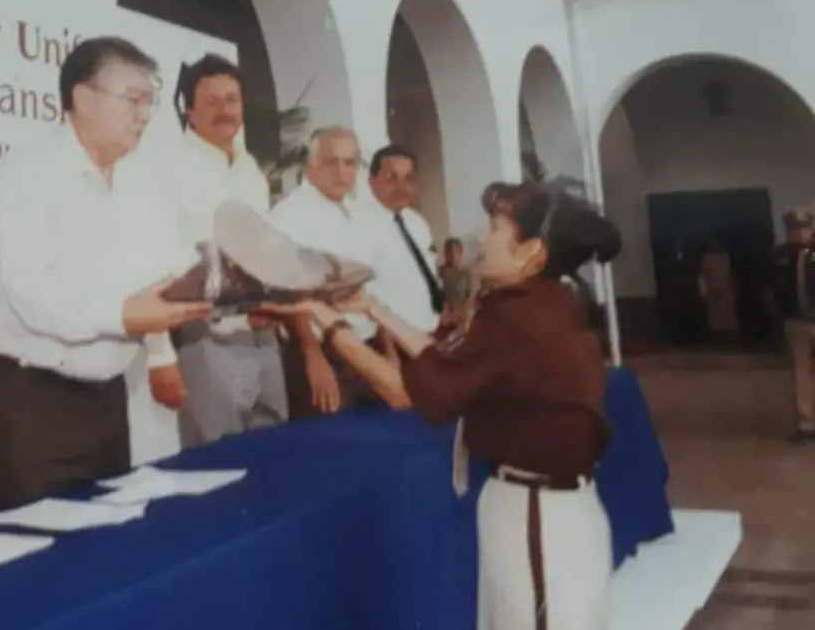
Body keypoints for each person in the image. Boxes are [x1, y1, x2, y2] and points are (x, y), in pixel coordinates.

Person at [264, 179, 621, 629]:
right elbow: (447, 359)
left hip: (538, 518)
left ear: (531, 252)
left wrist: (326, 320)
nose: (480, 239)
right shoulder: (542, 302)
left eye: (495, 228)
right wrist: (372, 308)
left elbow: (402, 391)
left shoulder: (519, 319)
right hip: (543, 509)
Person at [0, 36, 212, 514]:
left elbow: (172, 268)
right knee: (32, 543)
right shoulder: (26, 173)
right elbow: (33, 294)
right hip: (28, 399)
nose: (145, 116)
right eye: (134, 100)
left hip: (105, 400)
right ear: (83, 97)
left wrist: (230, 282)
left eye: (150, 102)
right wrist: (123, 316)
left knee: (104, 536)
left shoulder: (141, 181)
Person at [153, 54, 288, 446]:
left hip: (262, 331)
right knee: (217, 458)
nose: (224, 110)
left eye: (232, 100)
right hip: (205, 335)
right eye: (211, 102)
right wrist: (160, 351)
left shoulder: (250, 171)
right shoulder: (168, 168)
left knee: (274, 449)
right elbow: (155, 260)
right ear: (189, 111)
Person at [269, 127, 385, 418]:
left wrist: (387, 352)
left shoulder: (358, 214)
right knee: (330, 441)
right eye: (332, 162)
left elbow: (372, 291)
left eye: (350, 163)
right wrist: (313, 356)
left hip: (366, 348)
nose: (342, 172)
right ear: (312, 164)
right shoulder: (291, 215)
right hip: (323, 353)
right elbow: (288, 294)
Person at [356, 144, 443, 334]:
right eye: (391, 178)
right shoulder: (357, 227)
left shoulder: (417, 223)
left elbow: (429, 273)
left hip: (428, 333)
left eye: (408, 179)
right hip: (388, 339)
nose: (401, 187)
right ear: (372, 181)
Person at [769, 209, 815, 443]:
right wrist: (780, 313)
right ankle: (806, 424)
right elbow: (770, 286)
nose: (798, 233)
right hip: (795, 321)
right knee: (800, 373)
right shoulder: (780, 256)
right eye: (792, 229)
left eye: (802, 228)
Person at [439, 237, 473, 329]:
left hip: (462, 320)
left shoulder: (465, 274)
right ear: (445, 253)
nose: (454, 255)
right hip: (444, 319)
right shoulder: (439, 273)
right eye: (450, 251)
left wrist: (460, 313)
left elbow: (469, 299)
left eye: (457, 251)